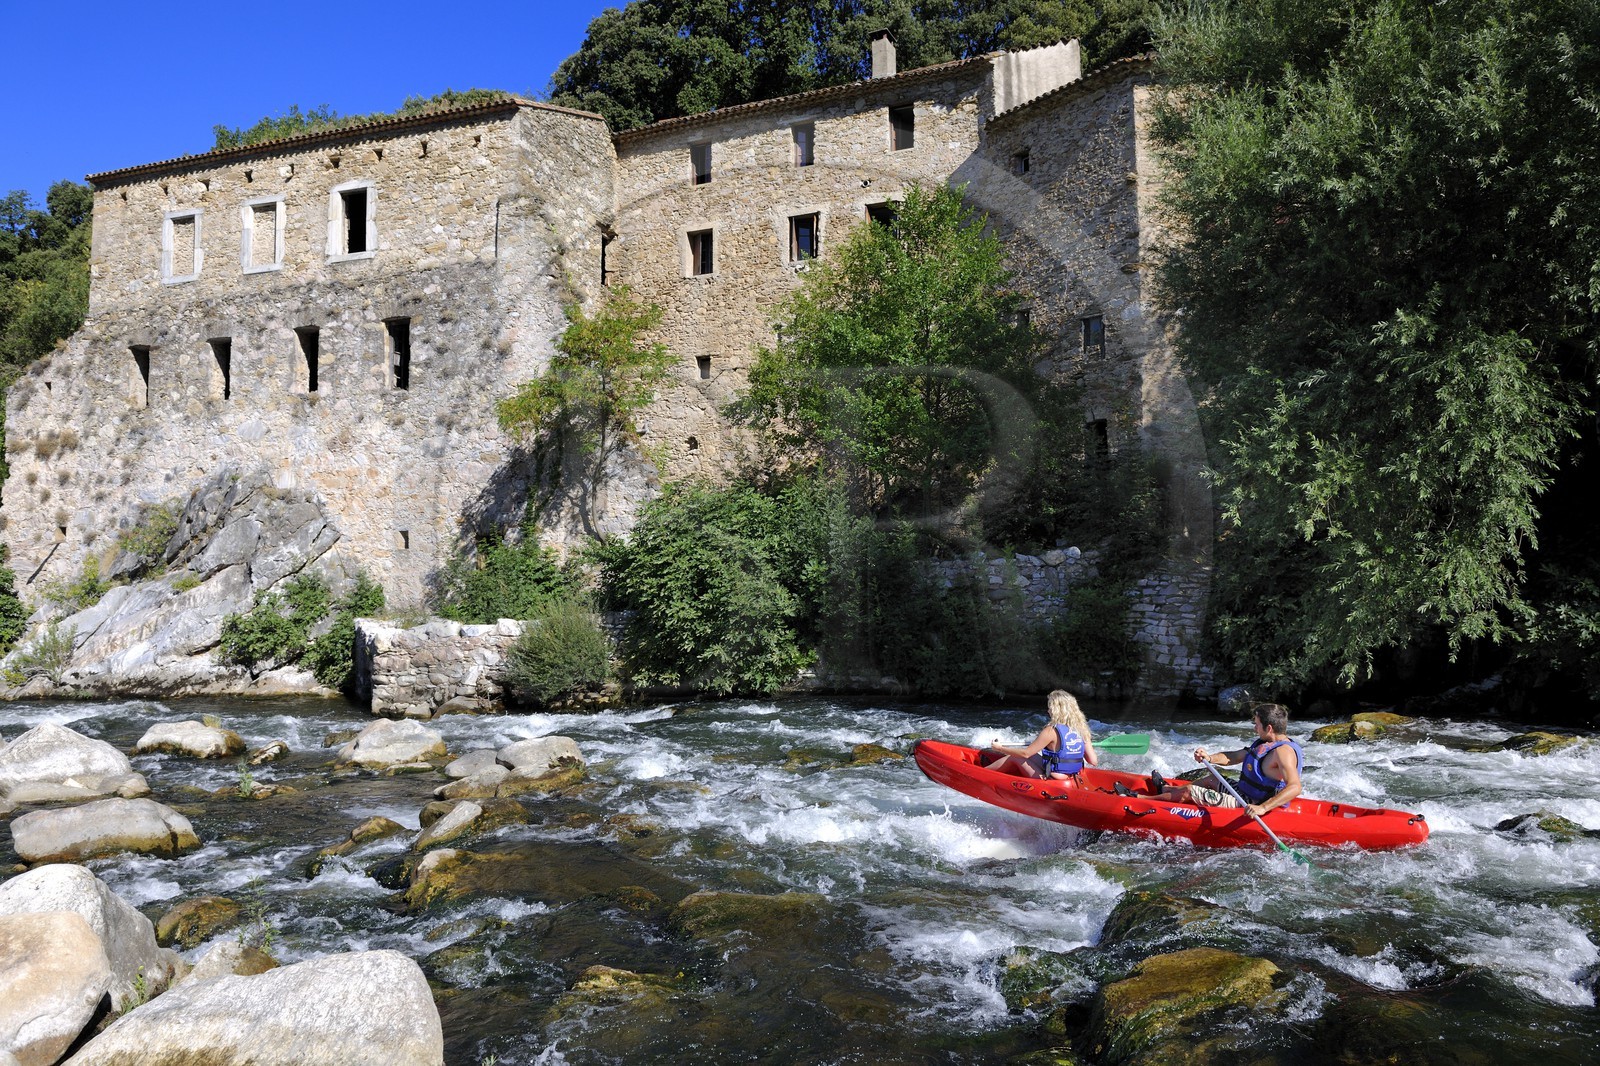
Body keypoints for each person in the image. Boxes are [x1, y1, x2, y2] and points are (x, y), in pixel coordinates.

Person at [1154, 703, 1302, 818]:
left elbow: (1295, 787)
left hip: (1252, 804)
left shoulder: (1284, 752)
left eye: (1256, 724)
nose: (1254, 728)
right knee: (1212, 779)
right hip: (1244, 794)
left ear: (1268, 728)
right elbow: (1233, 757)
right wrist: (1209, 757)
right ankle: (1167, 791)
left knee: (1191, 791)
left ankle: (1143, 799)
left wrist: (1262, 808)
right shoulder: (1265, 743)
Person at [980, 690, 1099, 782]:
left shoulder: (1050, 731)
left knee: (1016, 757)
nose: (1048, 711)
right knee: (1033, 756)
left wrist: (999, 748)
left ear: (1057, 710)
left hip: (1051, 779)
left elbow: (1025, 753)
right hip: (1072, 777)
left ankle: (981, 774)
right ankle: (993, 767)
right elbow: (1093, 761)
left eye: (1050, 707)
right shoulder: (1082, 730)